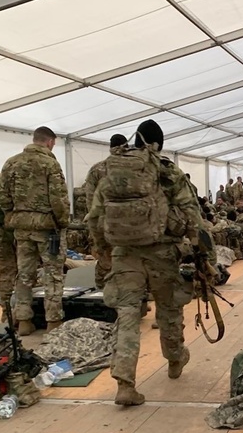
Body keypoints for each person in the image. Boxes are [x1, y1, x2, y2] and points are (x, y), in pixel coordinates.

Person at [89, 119, 210, 407]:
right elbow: (194, 217)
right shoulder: (165, 170)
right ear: (158, 144)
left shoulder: (110, 169)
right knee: (168, 309)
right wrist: (207, 258)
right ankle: (175, 359)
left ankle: (125, 383)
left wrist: (103, 251)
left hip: (123, 253)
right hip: (162, 252)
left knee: (128, 315)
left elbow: (94, 216)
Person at [0, 126, 70, 335]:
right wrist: (62, 221)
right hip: (47, 228)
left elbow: (2, 195)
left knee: (24, 274)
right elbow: (58, 198)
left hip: (21, 227)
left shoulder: (11, 163)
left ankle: (24, 320)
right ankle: (53, 321)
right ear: (49, 142)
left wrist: (13, 215)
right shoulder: (50, 163)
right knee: (53, 274)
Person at [81, 134, 129, 289]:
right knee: (129, 259)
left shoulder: (96, 169)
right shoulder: (133, 166)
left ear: (110, 148)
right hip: (127, 224)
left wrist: (94, 226)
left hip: (101, 222)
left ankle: (102, 293)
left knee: (104, 257)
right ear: (126, 146)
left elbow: (90, 201)